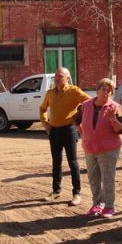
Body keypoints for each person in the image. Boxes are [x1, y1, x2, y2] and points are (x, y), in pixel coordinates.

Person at [39, 67, 90, 206]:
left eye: (60, 76)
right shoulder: (50, 93)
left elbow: (89, 103)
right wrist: (46, 124)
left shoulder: (74, 91)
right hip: (54, 131)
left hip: (69, 130)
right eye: (55, 75)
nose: (56, 78)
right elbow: (42, 109)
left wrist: (78, 117)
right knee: (56, 162)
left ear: (67, 78)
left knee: (73, 163)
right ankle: (56, 191)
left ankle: (77, 193)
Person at [75, 78, 122, 217]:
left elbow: (121, 129)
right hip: (90, 149)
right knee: (93, 178)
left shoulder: (115, 107)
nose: (107, 93)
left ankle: (109, 206)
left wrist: (112, 119)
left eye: (110, 91)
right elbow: (77, 121)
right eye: (104, 89)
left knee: (107, 178)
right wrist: (84, 136)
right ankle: (96, 205)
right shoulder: (85, 105)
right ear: (97, 90)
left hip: (108, 150)